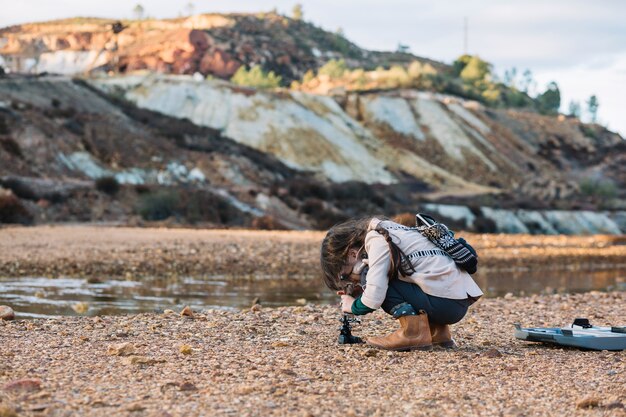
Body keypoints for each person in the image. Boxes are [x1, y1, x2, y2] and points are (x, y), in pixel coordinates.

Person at [320, 216, 483, 351]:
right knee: (395, 275)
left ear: (352, 254)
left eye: (345, 276)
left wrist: (352, 305)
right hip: (459, 301)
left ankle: (413, 333)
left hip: (445, 303)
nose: (350, 282)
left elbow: (374, 298)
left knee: (379, 279)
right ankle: (439, 333)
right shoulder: (392, 230)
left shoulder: (376, 241)